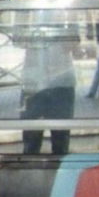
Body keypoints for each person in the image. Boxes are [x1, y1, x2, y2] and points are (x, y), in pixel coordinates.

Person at [20, 19, 76, 155]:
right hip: (34, 83)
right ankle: (30, 172)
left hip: (61, 83)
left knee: (60, 139)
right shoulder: (29, 14)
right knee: (31, 139)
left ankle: (59, 173)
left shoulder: (68, 18)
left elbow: (73, 45)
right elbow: (19, 41)